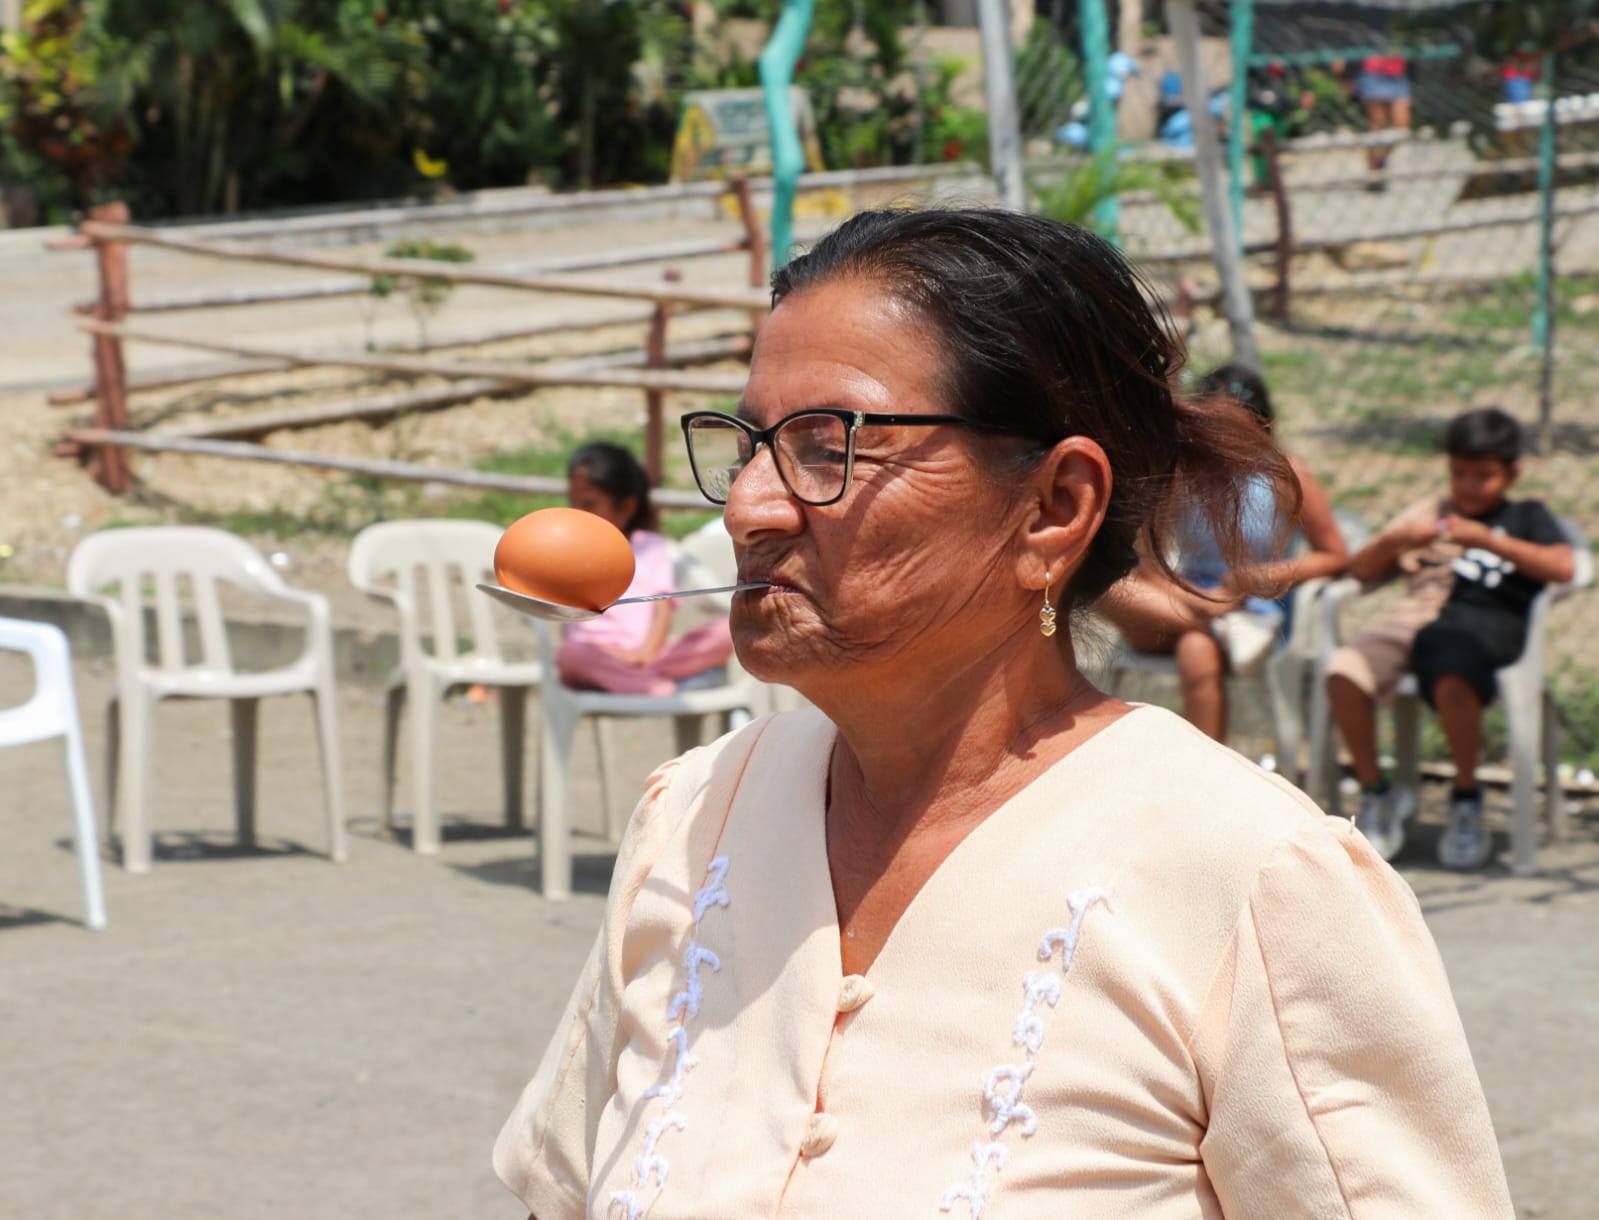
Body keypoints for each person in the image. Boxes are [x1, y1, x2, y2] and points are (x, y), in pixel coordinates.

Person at [495, 210, 1513, 1218]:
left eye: (828, 444)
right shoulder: (693, 819)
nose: (747, 506)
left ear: (1054, 508)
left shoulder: (1254, 882)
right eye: (752, 442)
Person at [1325, 407, 1574, 868]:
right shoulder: (1429, 513)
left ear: (1512, 474)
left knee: (1452, 668)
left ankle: (1466, 797)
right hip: (1411, 619)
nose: (1469, 486)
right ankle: (1377, 792)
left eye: (1483, 476)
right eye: (1459, 474)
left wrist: (1489, 541)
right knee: (1343, 673)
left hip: (1474, 629)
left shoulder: (1525, 516)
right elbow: (1359, 571)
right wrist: (1397, 540)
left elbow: (1565, 567)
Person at [1103, 364, 1348, 741]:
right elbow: (1147, 559)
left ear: (1261, 424)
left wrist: (1266, 575)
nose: (1222, 440)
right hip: (1188, 597)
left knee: (1195, 649)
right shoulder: (1180, 473)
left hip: (1252, 606)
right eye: (1212, 427)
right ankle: (1208, 612)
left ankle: (1200, 769)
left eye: (1233, 428)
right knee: (1109, 588)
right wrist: (1189, 595)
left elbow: (1334, 555)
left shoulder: (1285, 474)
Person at [556, 442, 733, 696]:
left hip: (648, 657)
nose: (578, 513)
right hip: (596, 656)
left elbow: (662, 608)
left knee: (726, 632)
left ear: (626, 507)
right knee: (570, 655)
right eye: (573, 502)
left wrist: (645, 654)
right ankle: (655, 686)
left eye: (589, 504)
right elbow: (565, 618)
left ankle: (641, 680)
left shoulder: (649, 547)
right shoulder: (570, 549)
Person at [1354, 52, 1411, 181]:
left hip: (1396, 73)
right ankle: (1374, 169)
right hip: (1373, 72)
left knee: (1402, 127)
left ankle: (1380, 159)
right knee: (1377, 125)